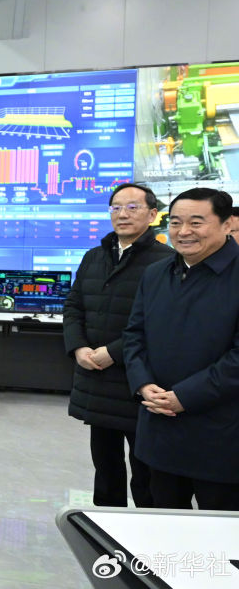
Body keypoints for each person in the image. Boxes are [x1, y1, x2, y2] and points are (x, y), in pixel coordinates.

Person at [123, 187, 239, 511]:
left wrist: (184, 396)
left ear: (227, 224)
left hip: (222, 438)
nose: (183, 231)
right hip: (160, 430)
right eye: (175, 222)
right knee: (163, 525)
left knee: (222, 534)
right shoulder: (156, 274)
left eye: (196, 222)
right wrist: (143, 384)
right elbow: (134, 335)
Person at [63, 183, 173, 508]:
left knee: (147, 475)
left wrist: (113, 352)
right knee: (106, 468)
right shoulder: (94, 257)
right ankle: (107, 530)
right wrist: (78, 348)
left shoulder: (167, 261)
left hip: (139, 382)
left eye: (132, 207)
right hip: (97, 382)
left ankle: (148, 535)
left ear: (152, 215)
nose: (122, 214)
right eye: (116, 207)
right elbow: (74, 306)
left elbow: (162, 322)